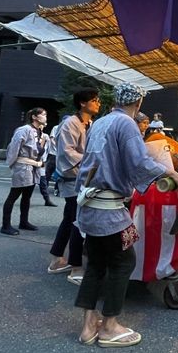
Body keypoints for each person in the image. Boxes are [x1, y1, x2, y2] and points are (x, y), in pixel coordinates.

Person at [74, 83, 178, 347]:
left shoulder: (101, 122)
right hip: (110, 209)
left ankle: (89, 324)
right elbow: (139, 162)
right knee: (124, 261)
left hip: (90, 204)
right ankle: (110, 325)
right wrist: (170, 173)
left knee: (97, 264)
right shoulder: (126, 124)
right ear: (139, 102)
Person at [48, 89, 101, 283]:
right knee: (78, 221)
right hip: (72, 178)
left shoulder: (90, 123)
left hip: (82, 177)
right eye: (94, 100)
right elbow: (67, 153)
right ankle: (76, 267)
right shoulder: (70, 123)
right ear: (82, 103)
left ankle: (56, 260)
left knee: (70, 218)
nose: (98, 103)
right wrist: (92, 161)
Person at [1, 107, 48, 235]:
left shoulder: (40, 132)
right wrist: (12, 164)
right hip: (23, 166)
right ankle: (5, 225)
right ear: (34, 117)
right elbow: (14, 147)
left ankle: (24, 221)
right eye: (43, 115)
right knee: (14, 195)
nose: (45, 117)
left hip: (33, 168)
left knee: (27, 196)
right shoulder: (24, 130)